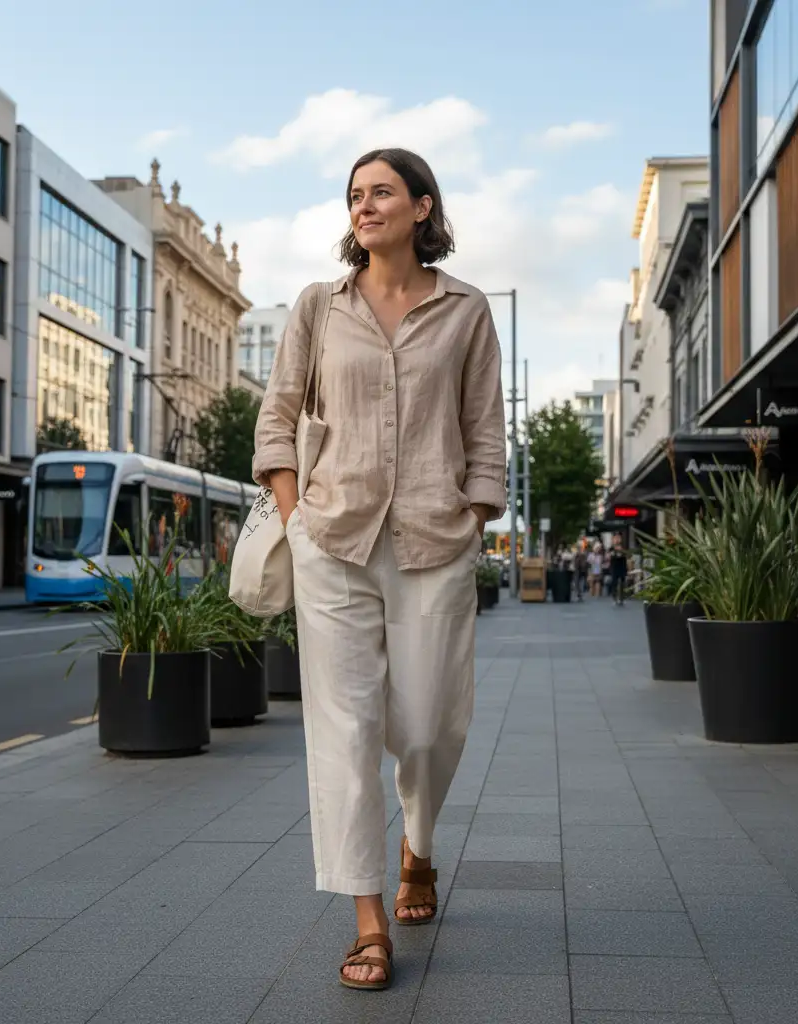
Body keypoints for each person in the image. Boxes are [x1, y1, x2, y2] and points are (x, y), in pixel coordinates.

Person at [253, 148, 506, 991]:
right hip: (334, 541)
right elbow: (278, 416)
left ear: (423, 207)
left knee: (430, 726)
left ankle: (418, 849)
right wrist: (296, 519)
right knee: (345, 734)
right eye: (356, 195)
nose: (365, 206)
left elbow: (486, 433)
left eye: (383, 192)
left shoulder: (468, 311)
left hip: (435, 541)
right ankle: (367, 919)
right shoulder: (318, 308)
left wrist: (473, 518)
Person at [608, 533, 629, 606]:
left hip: (622, 567)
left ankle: (622, 598)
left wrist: (621, 551)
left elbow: (627, 555)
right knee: (614, 583)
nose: (617, 540)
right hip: (614, 567)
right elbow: (609, 556)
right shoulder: (611, 548)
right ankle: (614, 598)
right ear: (613, 539)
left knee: (622, 583)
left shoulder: (624, 547)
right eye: (615, 538)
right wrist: (614, 551)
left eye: (618, 538)